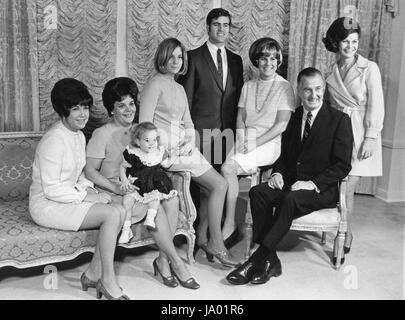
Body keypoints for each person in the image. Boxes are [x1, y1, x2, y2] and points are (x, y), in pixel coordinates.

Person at [226, 68, 353, 285]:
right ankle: (270, 261)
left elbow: (342, 165)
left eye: (318, 89)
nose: (313, 95)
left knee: (290, 199)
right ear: (299, 91)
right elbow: (284, 156)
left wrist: (312, 183)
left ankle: (257, 259)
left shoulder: (339, 120)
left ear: (324, 88)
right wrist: (277, 173)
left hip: (321, 190)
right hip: (292, 183)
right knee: (258, 192)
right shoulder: (295, 118)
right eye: (307, 90)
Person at [85, 77, 199, 290]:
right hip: (115, 190)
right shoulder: (102, 134)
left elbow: (155, 158)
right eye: (121, 105)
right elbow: (89, 171)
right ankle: (176, 262)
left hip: (144, 185)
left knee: (172, 201)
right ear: (111, 109)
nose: (128, 109)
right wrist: (116, 186)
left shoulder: (142, 131)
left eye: (131, 103)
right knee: (154, 208)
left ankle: (162, 261)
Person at [139, 37, 237, 268]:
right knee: (219, 185)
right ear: (161, 58)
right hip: (163, 155)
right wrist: (162, 150)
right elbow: (144, 124)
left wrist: (189, 140)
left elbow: (189, 123)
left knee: (216, 185)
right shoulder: (154, 84)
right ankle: (217, 243)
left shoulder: (180, 87)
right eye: (171, 56)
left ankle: (204, 238)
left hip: (185, 150)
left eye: (179, 56)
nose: (176, 61)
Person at [29, 78, 129, 300]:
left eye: (85, 107)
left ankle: (93, 273)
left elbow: (81, 173)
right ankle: (108, 280)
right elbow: (52, 189)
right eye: (76, 109)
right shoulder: (53, 140)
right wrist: (86, 195)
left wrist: (88, 189)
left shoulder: (78, 134)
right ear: (63, 111)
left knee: (120, 209)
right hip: (47, 205)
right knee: (112, 213)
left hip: (66, 197)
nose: (83, 114)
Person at [220, 37, 295, 248]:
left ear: (279, 61)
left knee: (227, 168)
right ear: (256, 59)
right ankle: (229, 222)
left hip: (269, 142)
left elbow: (281, 125)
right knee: (223, 169)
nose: (268, 63)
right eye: (264, 57)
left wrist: (255, 143)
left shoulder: (284, 87)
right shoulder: (248, 86)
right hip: (246, 139)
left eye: (273, 58)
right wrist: (242, 138)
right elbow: (240, 118)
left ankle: (230, 224)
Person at [322, 17, 384, 257]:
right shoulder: (332, 72)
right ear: (336, 43)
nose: (350, 46)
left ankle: (345, 232)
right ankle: (336, 227)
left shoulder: (370, 68)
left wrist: (371, 137)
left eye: (355, 41)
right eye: (346, 41)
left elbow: (376, 106)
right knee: (336, 185)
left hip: (361, 134)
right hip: (338, 135)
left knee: (347, 188)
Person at [118, 121, 177, 243]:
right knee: (127, 201)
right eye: (147, 140)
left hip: (153, 184)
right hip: (137, 184)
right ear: (138, 142)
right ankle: (126, 229)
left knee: (155, 197)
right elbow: (122, 166)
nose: (152, 143)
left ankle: (150, 217)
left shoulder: (158, 152)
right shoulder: (133, 154)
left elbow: (166, 164)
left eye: (154, 140)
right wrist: (124, 179)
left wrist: (174, 155)